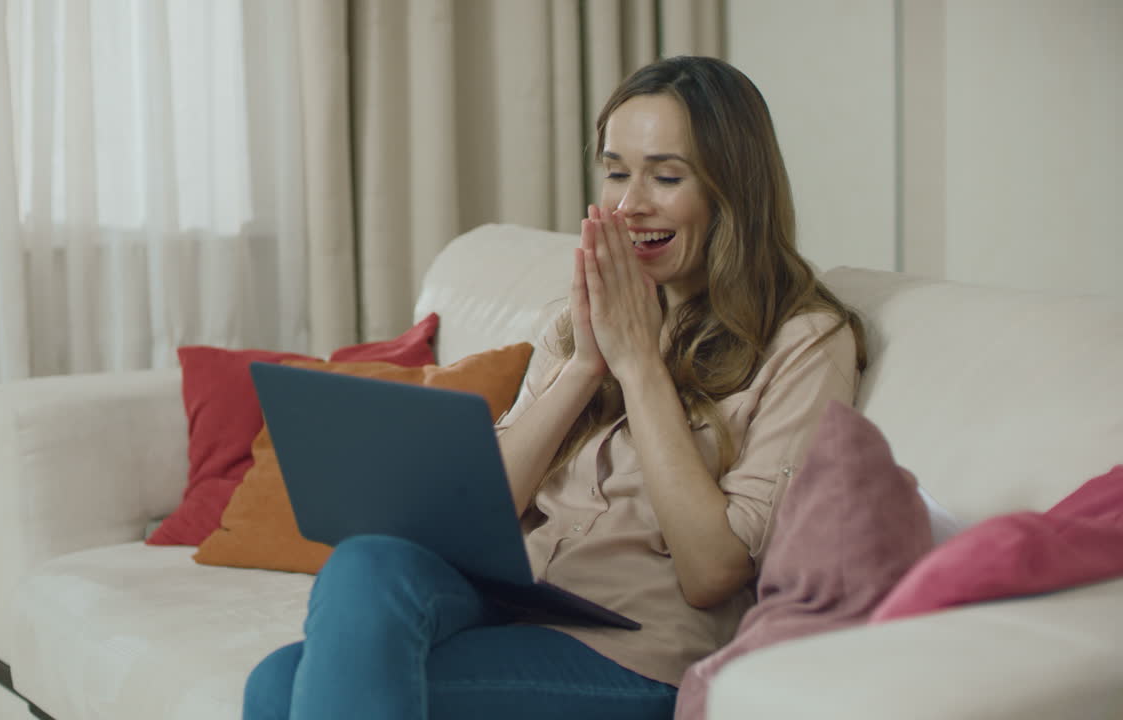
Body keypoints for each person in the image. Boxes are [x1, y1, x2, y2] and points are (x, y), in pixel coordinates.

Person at [243, 55, 866, 720]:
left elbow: (712, 573)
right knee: (365, 566)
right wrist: (583, 366)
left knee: (281, 690)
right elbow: (479, 513)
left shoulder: (805, 341)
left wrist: (640, 366)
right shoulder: (579, 317)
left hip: (637, 652)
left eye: (666, 176)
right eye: (617, 172)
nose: (629, 204)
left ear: (733, 191)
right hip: (521, 599)